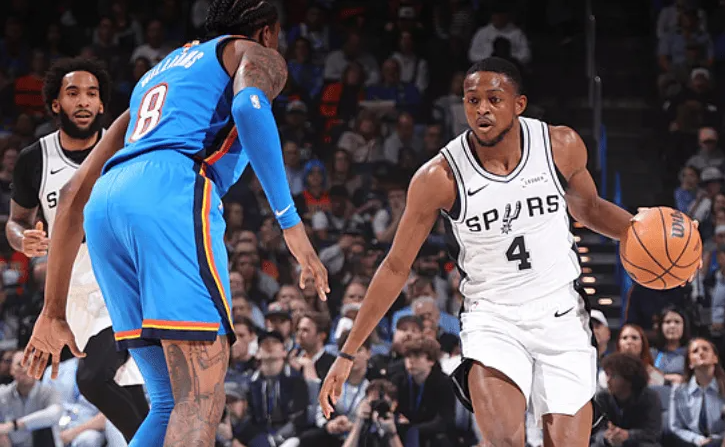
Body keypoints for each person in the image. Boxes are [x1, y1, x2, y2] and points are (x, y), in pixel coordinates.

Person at [22, 1, 329, 446]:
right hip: (168, 192)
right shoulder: (251, 52)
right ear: (268, 31)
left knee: (168, 401)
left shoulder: (157, 76)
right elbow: (250, 107)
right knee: (200, 400)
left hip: (107, 205)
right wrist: (291, 224)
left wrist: (52, 311)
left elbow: (71, 195)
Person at [319, 57, 658, 446]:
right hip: (493, 318)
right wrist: (347, 353)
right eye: (472, 100)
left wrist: (644, 234)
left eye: (494, 99)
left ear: (519, 104)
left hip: (562, 315)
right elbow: (396, 266)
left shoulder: (559, 146)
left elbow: (590, 209)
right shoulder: (439, 177)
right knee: (506, 441)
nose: (482, 109)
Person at [6, 56, 148, 443]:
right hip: (70, 289)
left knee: (93, 379)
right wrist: (23, 239)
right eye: (73, 93)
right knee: (125, 385)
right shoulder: (34, 158)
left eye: (92, 93)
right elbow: (16, 222)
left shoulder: (126, 150)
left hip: (121, 278)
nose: (83, 101)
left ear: (102, 105)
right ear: (56, 104)